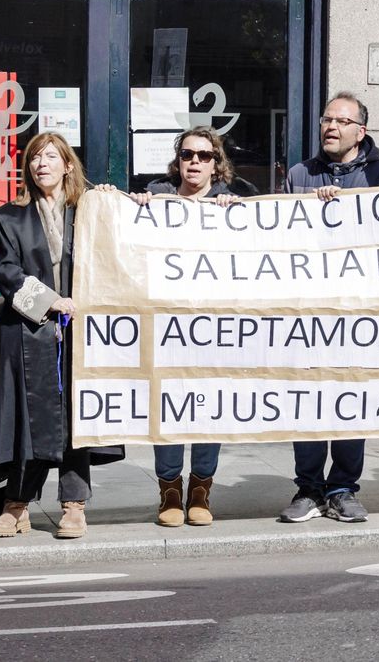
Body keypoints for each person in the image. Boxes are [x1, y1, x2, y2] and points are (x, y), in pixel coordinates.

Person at [0, 132, 122, 539]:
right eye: (34, 158)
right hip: (30, 330)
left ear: (67, 164)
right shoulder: (9, 217)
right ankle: (17, 504)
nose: (42, 163)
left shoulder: (90, 210)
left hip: (83, 329)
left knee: (77, 414)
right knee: (28, 417)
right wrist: (50, 301)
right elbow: (6, 272)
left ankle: (74, 504)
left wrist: (116, 199)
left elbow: (119, 249)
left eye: (50, 156)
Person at [278, 92, 379, 525]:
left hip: (358, 314)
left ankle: (344, 487)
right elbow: (281, 238)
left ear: (360, 131)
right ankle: (308, 488)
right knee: (308, 401)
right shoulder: (299, 175)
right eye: (326, 118)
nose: (330, 127)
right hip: (309, 312)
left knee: (351, 400)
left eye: (341, 121)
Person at [125, 126, 252, 526]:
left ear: (217, 164)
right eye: (187, 154)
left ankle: (201, 490)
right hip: (166, 324)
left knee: (207, 407)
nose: (194, 161)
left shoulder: (233, 201)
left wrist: (238, 216)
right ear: (177, 161)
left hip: (215, 326)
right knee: (167, 407)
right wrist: (135, 206)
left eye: (204, 155)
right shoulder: (156, 197)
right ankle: (169, 493)